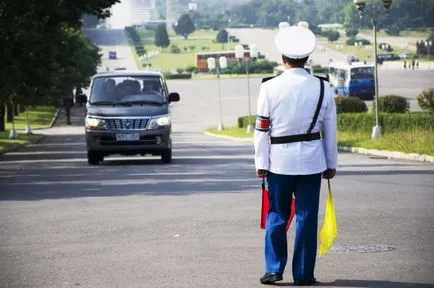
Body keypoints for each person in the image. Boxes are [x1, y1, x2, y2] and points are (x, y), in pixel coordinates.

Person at [254, 26, 338, 286]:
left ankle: (274, 269)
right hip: (313, 162)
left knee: (276, 215)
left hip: (279, 162)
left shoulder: (269, 87)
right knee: (306, 217)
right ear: (307, 58)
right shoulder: (323, 88)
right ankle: (303, 274)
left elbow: (261, 130)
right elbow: (330, 130)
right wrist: (331, 163)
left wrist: (261, 162)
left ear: (283, 58)